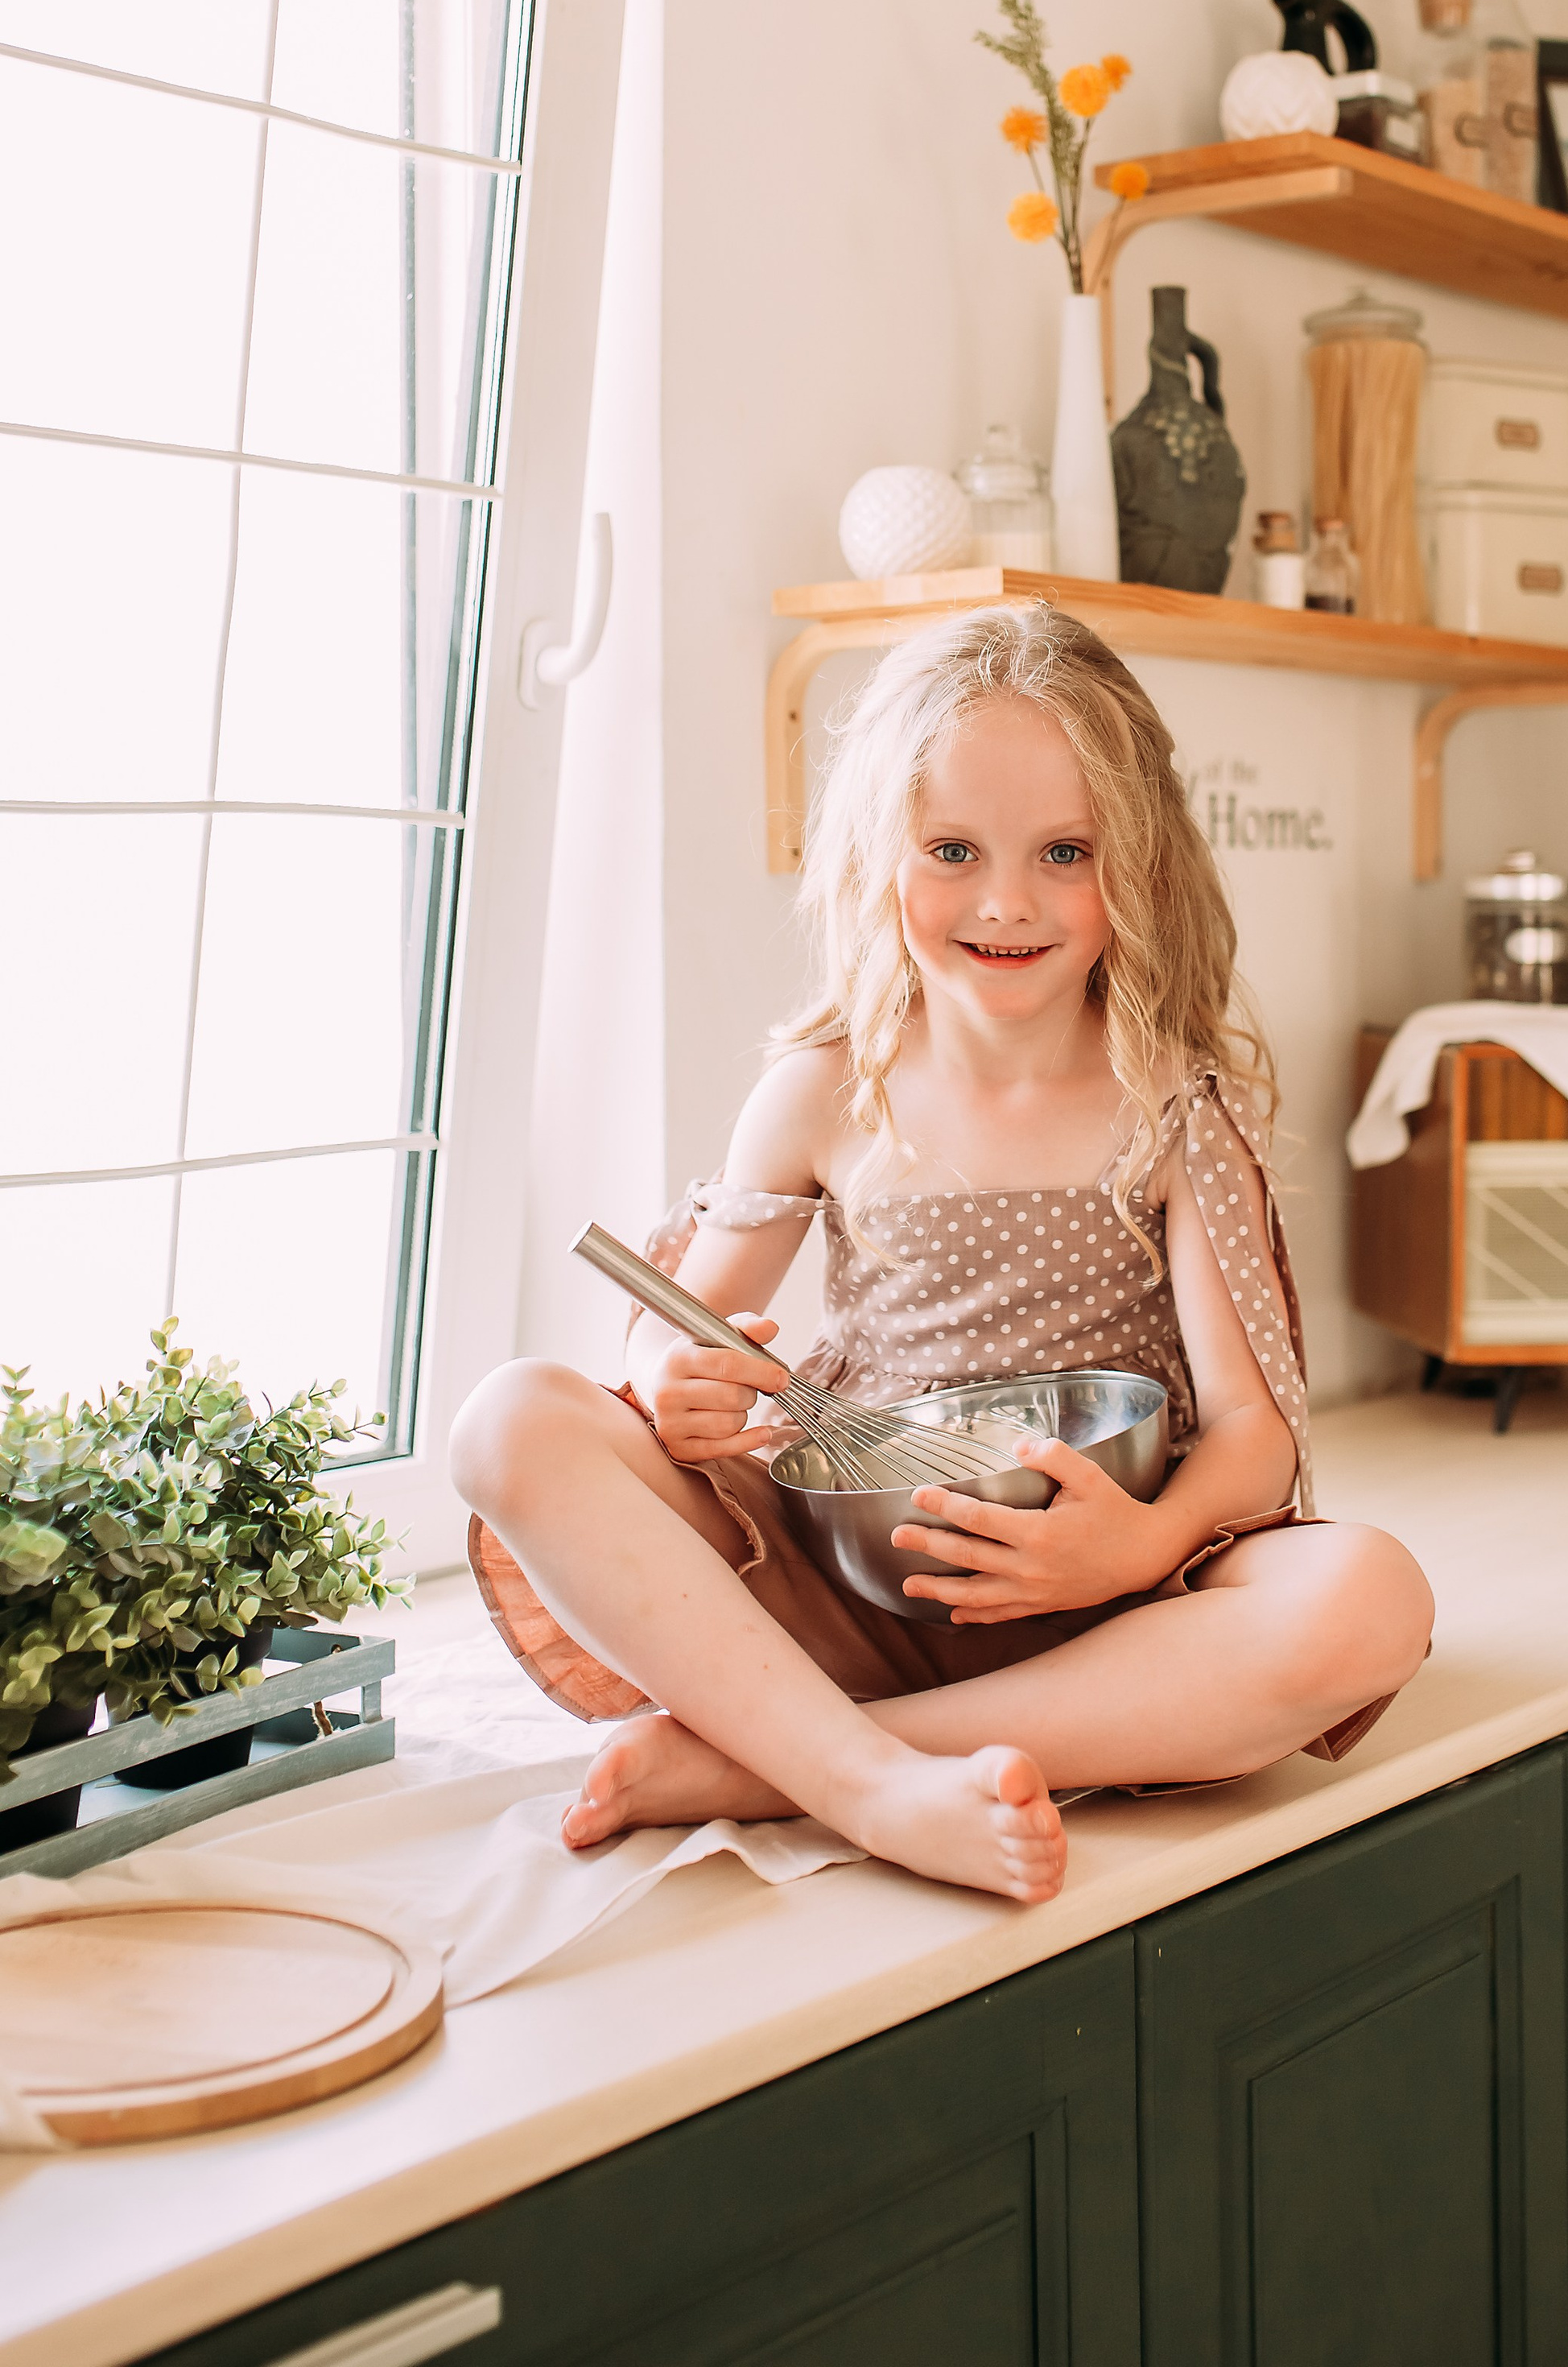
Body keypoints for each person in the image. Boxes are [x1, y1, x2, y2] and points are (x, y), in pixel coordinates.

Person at [452, 605, 1432, 1906]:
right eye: (954, 850)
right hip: (851, 1587)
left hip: (1113, 1618)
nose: (1007, 903)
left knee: (1372, 1596)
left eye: (1065, 852)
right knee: (510, 1421)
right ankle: (866, 1785)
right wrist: (672, 1371)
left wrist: (1140, 1551)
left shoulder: (1174, 1108)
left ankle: (775, 1761)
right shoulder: (821, 1089)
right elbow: (680, 1327)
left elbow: (1256, 1431)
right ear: (877, 856)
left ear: (1141, 862)